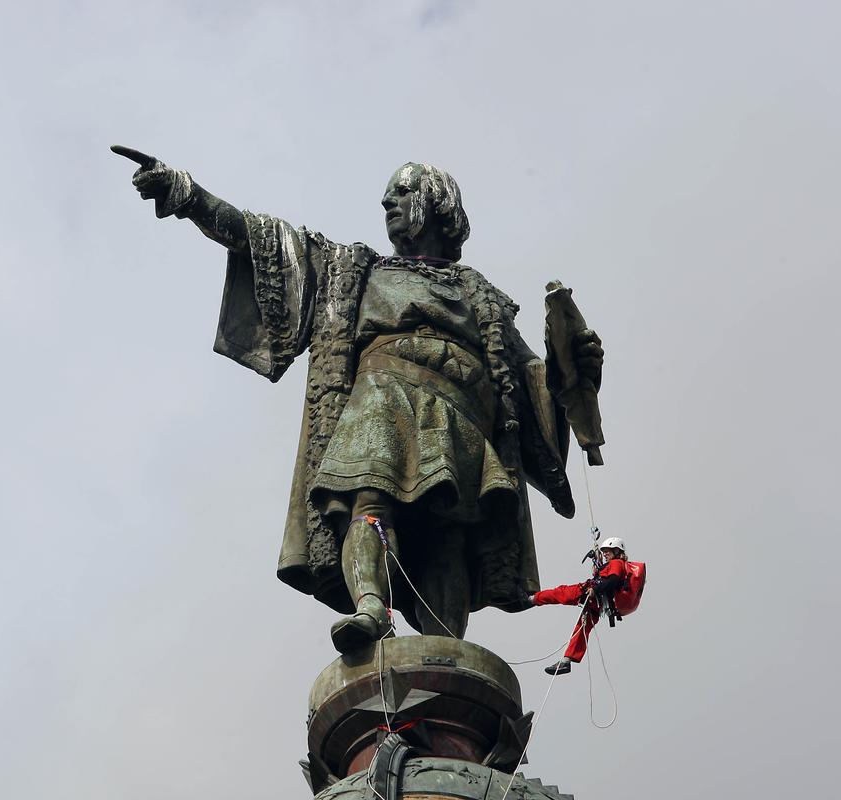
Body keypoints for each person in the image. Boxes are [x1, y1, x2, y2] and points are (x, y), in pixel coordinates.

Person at [112, 146, 605, 653]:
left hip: (460, 416)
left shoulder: (483, 298)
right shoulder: (356, 270)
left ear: (438, 204)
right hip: (383, 398)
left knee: (448, 533)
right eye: (389, 193)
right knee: (368, 503)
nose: (388, 200)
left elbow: (531, 383)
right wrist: (189, 195)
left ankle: (444, 646)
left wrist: (576, 365)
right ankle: (372, 605)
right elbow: (264, 240)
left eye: (404, 190)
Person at [531, 537, 630, 675]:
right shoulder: (614, 565)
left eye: (608, 551)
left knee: (561, 592)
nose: (606, 554)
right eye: (604, 551)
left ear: (617, 551)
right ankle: (566, 661)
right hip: (597, 603)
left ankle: (531, 599)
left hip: (591, 594)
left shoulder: (617, 563)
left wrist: (595, 590)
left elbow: (613, 580)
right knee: (582, 628)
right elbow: (607, 578)